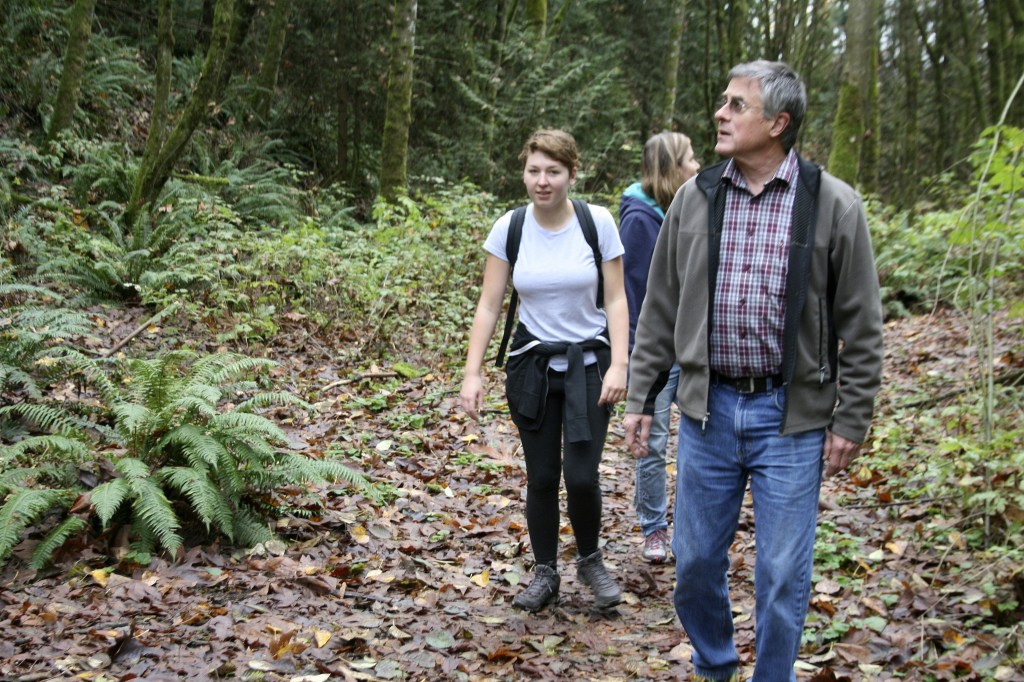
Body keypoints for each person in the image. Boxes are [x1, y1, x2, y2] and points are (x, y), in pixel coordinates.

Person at [622, 61, 884, 681]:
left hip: (790, 419)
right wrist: (639, 396)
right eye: (723, 102)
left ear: (778, 123)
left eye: (738, 105)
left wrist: (852, 416)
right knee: (694, 566)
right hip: (708, 412)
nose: (721, 113)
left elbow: (862, 324)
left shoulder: (834, 204)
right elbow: (659, 306)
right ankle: (716, 665)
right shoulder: (695, 196)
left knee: (781, 574)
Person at [460, 129, 630, 612]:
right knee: (541, 476)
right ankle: (545, 571)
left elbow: (616, 298)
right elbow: (489, 305)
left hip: (589, 366)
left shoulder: (596, 223)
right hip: (531, 365)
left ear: (572, 174)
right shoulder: (510, 227)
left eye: (553, 171)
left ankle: (591, 559)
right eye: (534, 170)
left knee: (580, 475)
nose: (542, 181)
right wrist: (472, 373)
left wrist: (621, 363)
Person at [620, 132, 700, 564]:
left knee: (698, 445)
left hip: (694, 348)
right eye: (689, 159)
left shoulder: (688, 210)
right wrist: (639, 363)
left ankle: (691, 530)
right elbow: (635, 299)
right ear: (671, 169)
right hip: (657, 355)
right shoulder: (639, 221)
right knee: (652, 443)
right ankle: (654, 528)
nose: (697, 164)